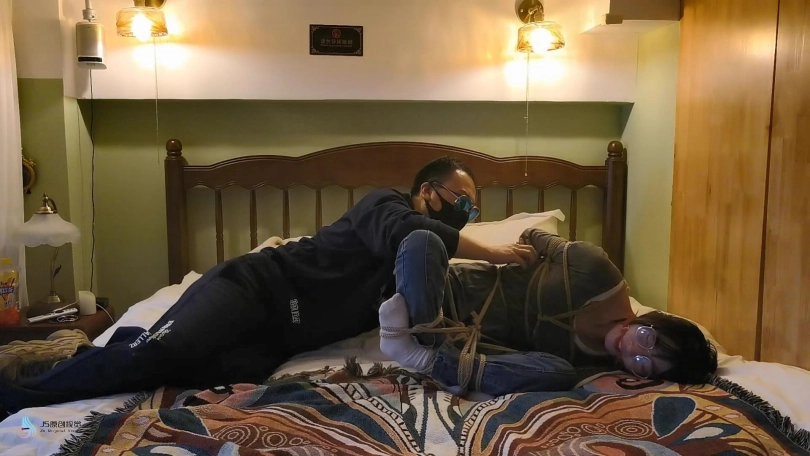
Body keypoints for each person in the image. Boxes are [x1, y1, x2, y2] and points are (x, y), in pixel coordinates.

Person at [0, 157, 538, 414]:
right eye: (463, 203)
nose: (467, 215)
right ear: (427, 191)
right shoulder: (387, 205)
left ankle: (81, 354)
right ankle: (14, 396)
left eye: (473, 212)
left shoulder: (421, 267)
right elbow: (413, 234)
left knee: (197, 376)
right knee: (160, 355)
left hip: (275, 341)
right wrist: (494, 251)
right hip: (255, 287)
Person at [378, 228, 718, 397]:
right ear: (654, 322)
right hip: (448, 291)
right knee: (423, 240)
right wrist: (508, 255)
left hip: (467, 347)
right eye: (646, 339)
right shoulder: (593, 267)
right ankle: (423, 336)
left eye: (643, 365)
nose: (630, 352)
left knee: (559, 375)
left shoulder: (598, 364)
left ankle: (422, 354)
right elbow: (532, 235)